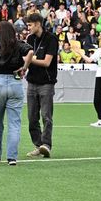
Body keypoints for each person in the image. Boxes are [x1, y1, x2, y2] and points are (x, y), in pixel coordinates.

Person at [0, 21, 34, 166]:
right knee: (14, 123)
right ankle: (12, 157)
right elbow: (31, 51)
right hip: (15, 81)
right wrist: (24, 67)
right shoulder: (18, 44)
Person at [24, 13, 58, 158]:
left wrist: (30, 60)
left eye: (30, 25)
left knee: (46, 116)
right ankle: (38, 146)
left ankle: (46, 145)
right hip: (31, 82)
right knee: (32, 118)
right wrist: (24, 67)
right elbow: (26, 59)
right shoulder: (29, 39)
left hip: (46, 83)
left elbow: (46, 62)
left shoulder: (51, 39)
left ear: (38, 24)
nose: (28, 28)